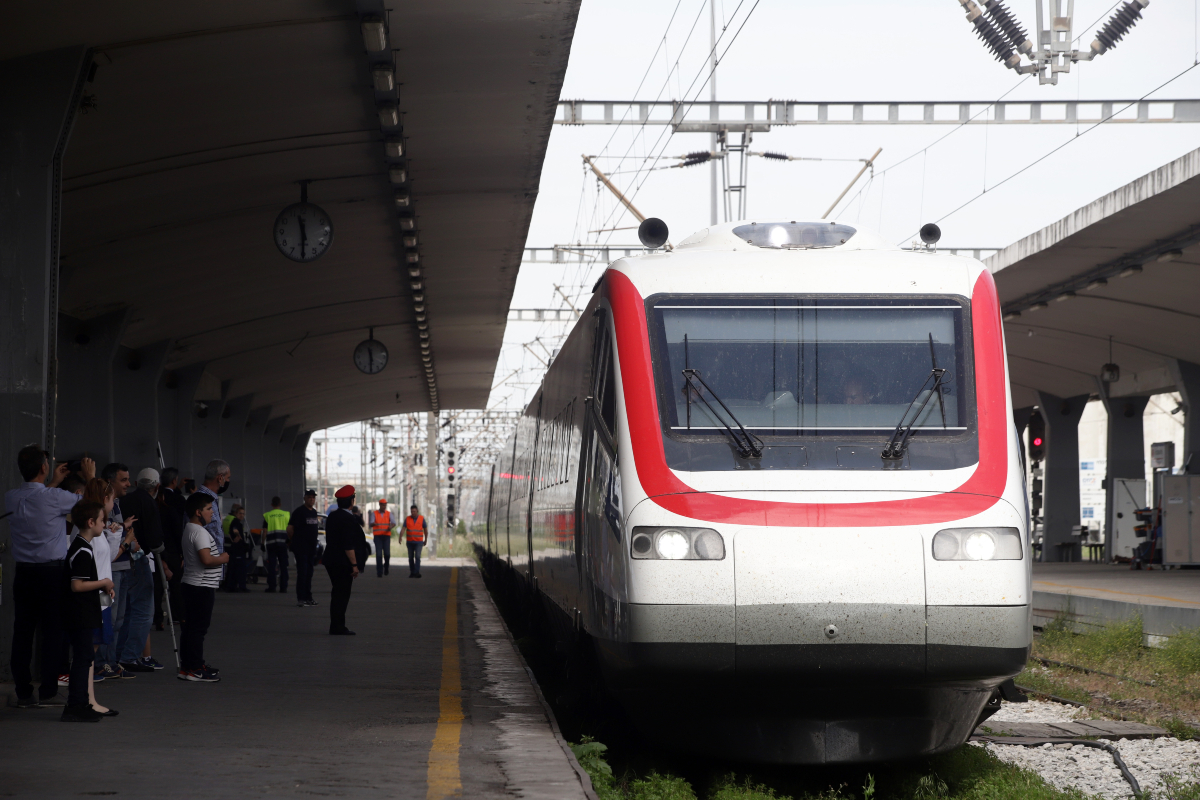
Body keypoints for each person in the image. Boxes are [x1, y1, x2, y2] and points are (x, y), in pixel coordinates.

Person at [6, 448, 95, 709]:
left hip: (23, 572)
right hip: (52, 573)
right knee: (53, 633)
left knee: (22, 633)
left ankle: (23, 693)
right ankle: (48, 691)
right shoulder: (56, 497)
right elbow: (91, 507)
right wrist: (89, 477)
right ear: (44, 468)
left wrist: (54, 481)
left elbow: (38, 498)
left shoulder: (11, 497)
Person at [62, 500, 115, 722]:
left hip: (83, 612)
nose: (104, 525)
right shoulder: (82, 549)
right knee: (83, 659)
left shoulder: (82, 546)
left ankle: (79, 703)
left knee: (84, 658)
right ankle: (76, 705)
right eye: (102, 521)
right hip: (80, 614)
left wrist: (102, 589)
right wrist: (103, 582)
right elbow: (78, 585)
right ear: (91, 522)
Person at [114, 467, 165, 674]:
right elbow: (155, 540)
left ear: (136, 483)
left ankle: (118, 654)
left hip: (121, 559)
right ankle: (130, 656)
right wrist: (162, 554)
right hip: (138, 558)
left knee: (123, 611)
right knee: (144, 610)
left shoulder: (122, 501)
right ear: (157, 487)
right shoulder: (149, 502)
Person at [179, 492, 228, 682]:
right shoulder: (199, 532)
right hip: (201, 587)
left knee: (191, 629)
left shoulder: (189, 529)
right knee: (198, 629)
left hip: (194, 585)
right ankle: (195, 668)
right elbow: (206, 559)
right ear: (198, 512)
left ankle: (188, 666)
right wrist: (223, 559)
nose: (212, 514)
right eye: (209, 510)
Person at [323, 485, 361, 635]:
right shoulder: (348, 519)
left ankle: (336, 625)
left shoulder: (332, 516)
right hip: (342, 563)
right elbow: (348, 545)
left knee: (337, 593)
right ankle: (338, 627)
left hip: (330, 560)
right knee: (342, 594)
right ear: (352, 501)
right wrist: (354, 565)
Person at [195, 460, 232, 581]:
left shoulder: (212, 500)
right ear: (220, 478)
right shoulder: (202, 501)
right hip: (204, 573)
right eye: (228, 478)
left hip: (211, 571)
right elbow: (197, 537)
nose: (228, 481)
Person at [288, 489, 320, 608]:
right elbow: (290, 529)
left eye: (313, 497)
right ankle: (301, 598)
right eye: (309, 497)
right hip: (301, 548)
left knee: (309, 573)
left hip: (311, 548)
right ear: (305, 498)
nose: (311, 499)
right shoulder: (299, 512)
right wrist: (296, 541)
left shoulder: (314, 512)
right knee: (303, 573)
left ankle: (308, 597)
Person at [262, 496, 290, 594]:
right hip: (283, 544)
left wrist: (262, 543)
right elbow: (290, 529)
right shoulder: (286, 515)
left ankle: (272, 587)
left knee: (272, 566)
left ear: (272, 505)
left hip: (271, 545)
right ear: (280, 504)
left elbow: (265, 531)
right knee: (283, 566)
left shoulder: (268, 515)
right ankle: (283, 587)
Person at [223, 504, 250, 593]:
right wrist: (238, 537)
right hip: (237, 549)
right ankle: (241, 586)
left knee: (232, 568)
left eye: (243, 514)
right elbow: (235, 530)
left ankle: (231, 586)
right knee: (240, 568)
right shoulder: (235, 522)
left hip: (229, 546)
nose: (242, 515)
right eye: (240, 513)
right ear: (236, 513)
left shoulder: (228, 519)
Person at [369, 499, 395, 577]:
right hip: (378, 537)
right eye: (383, 505)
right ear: (379, 505)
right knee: (379, 554)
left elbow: (394, 523)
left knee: (387, 554)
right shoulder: (374, 513)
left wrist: (390, 527)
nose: (384, 506)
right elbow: (371, 523)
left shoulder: (389, 514)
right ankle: (379, 572)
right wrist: (373, 524)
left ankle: (386, 567)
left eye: (385, 505)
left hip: (386, 536)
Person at [404, 504, 428, 579]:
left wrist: (426, 540)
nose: (413, 513)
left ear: (417, 511)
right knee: (410, 558)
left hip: (419, 542)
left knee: (417, 557)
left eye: (414, 511)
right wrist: (400, 537)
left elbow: (425, 530)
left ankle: (416, 572)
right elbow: (403, 528)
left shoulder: (421, 519)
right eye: (411, 511)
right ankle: (412, 572)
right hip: (410, 542)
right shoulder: (407, 519)